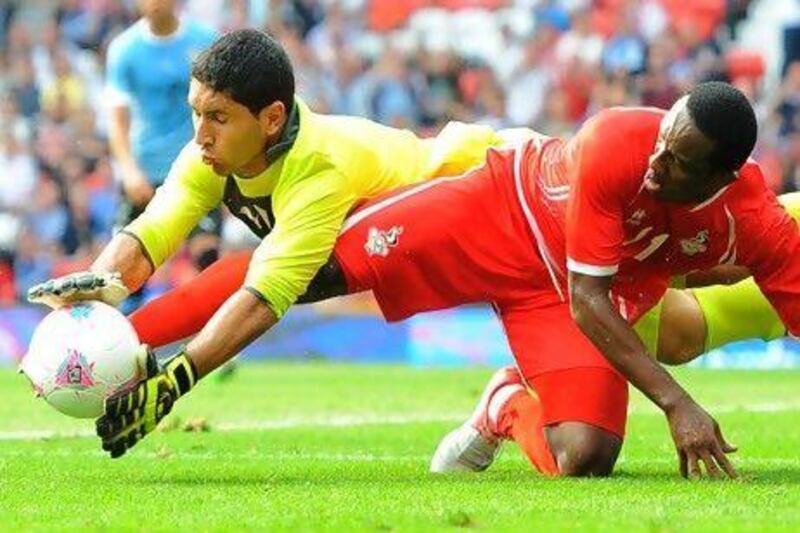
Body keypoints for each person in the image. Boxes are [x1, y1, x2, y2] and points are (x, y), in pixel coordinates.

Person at [64, 81, 800, 479]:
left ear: (723, 176)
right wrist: (678, 405)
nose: (656, 163)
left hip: (572, 296)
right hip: (496, 215)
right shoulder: (618, 140)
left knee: (586, 460)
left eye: (677, 161)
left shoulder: (758, 225)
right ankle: (128, 330)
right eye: (662, 139)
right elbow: (591, 294)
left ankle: (507, 404)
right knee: (311, 268)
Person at [26, 28, 510, 459]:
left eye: (216, 116)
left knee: (265, 274)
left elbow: (263, 298)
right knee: (578, 450)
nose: (200, 135)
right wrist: (94, 305)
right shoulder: (212, 150)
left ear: (272, 118)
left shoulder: (321, 165)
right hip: (435, 255)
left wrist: (173, 381)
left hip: (501, 198)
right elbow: (154, 228)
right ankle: (506, 402)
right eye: (196, 113)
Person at [105, 0, 218, 295]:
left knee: (207, 257)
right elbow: (117, 120)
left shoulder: (205, 41)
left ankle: (213, 337)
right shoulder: (124, 49)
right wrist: (128, 171)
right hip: (145, 170)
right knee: (122, 273)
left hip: (197, 166)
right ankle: (123, 336)